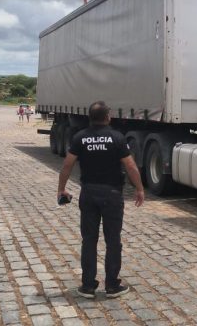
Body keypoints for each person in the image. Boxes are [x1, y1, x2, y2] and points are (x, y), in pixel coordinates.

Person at [57, 101, 145, 299]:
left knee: (89, 240)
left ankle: (88, 286)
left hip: (88, 193)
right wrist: (139, 188)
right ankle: (112, 286)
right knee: (113, 240)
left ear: (90, 117)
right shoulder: (117, 138)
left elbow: (67, 165)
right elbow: (131, 166)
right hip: (112, 194)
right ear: (108, 117)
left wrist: (61, 189)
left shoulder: (80, 137)